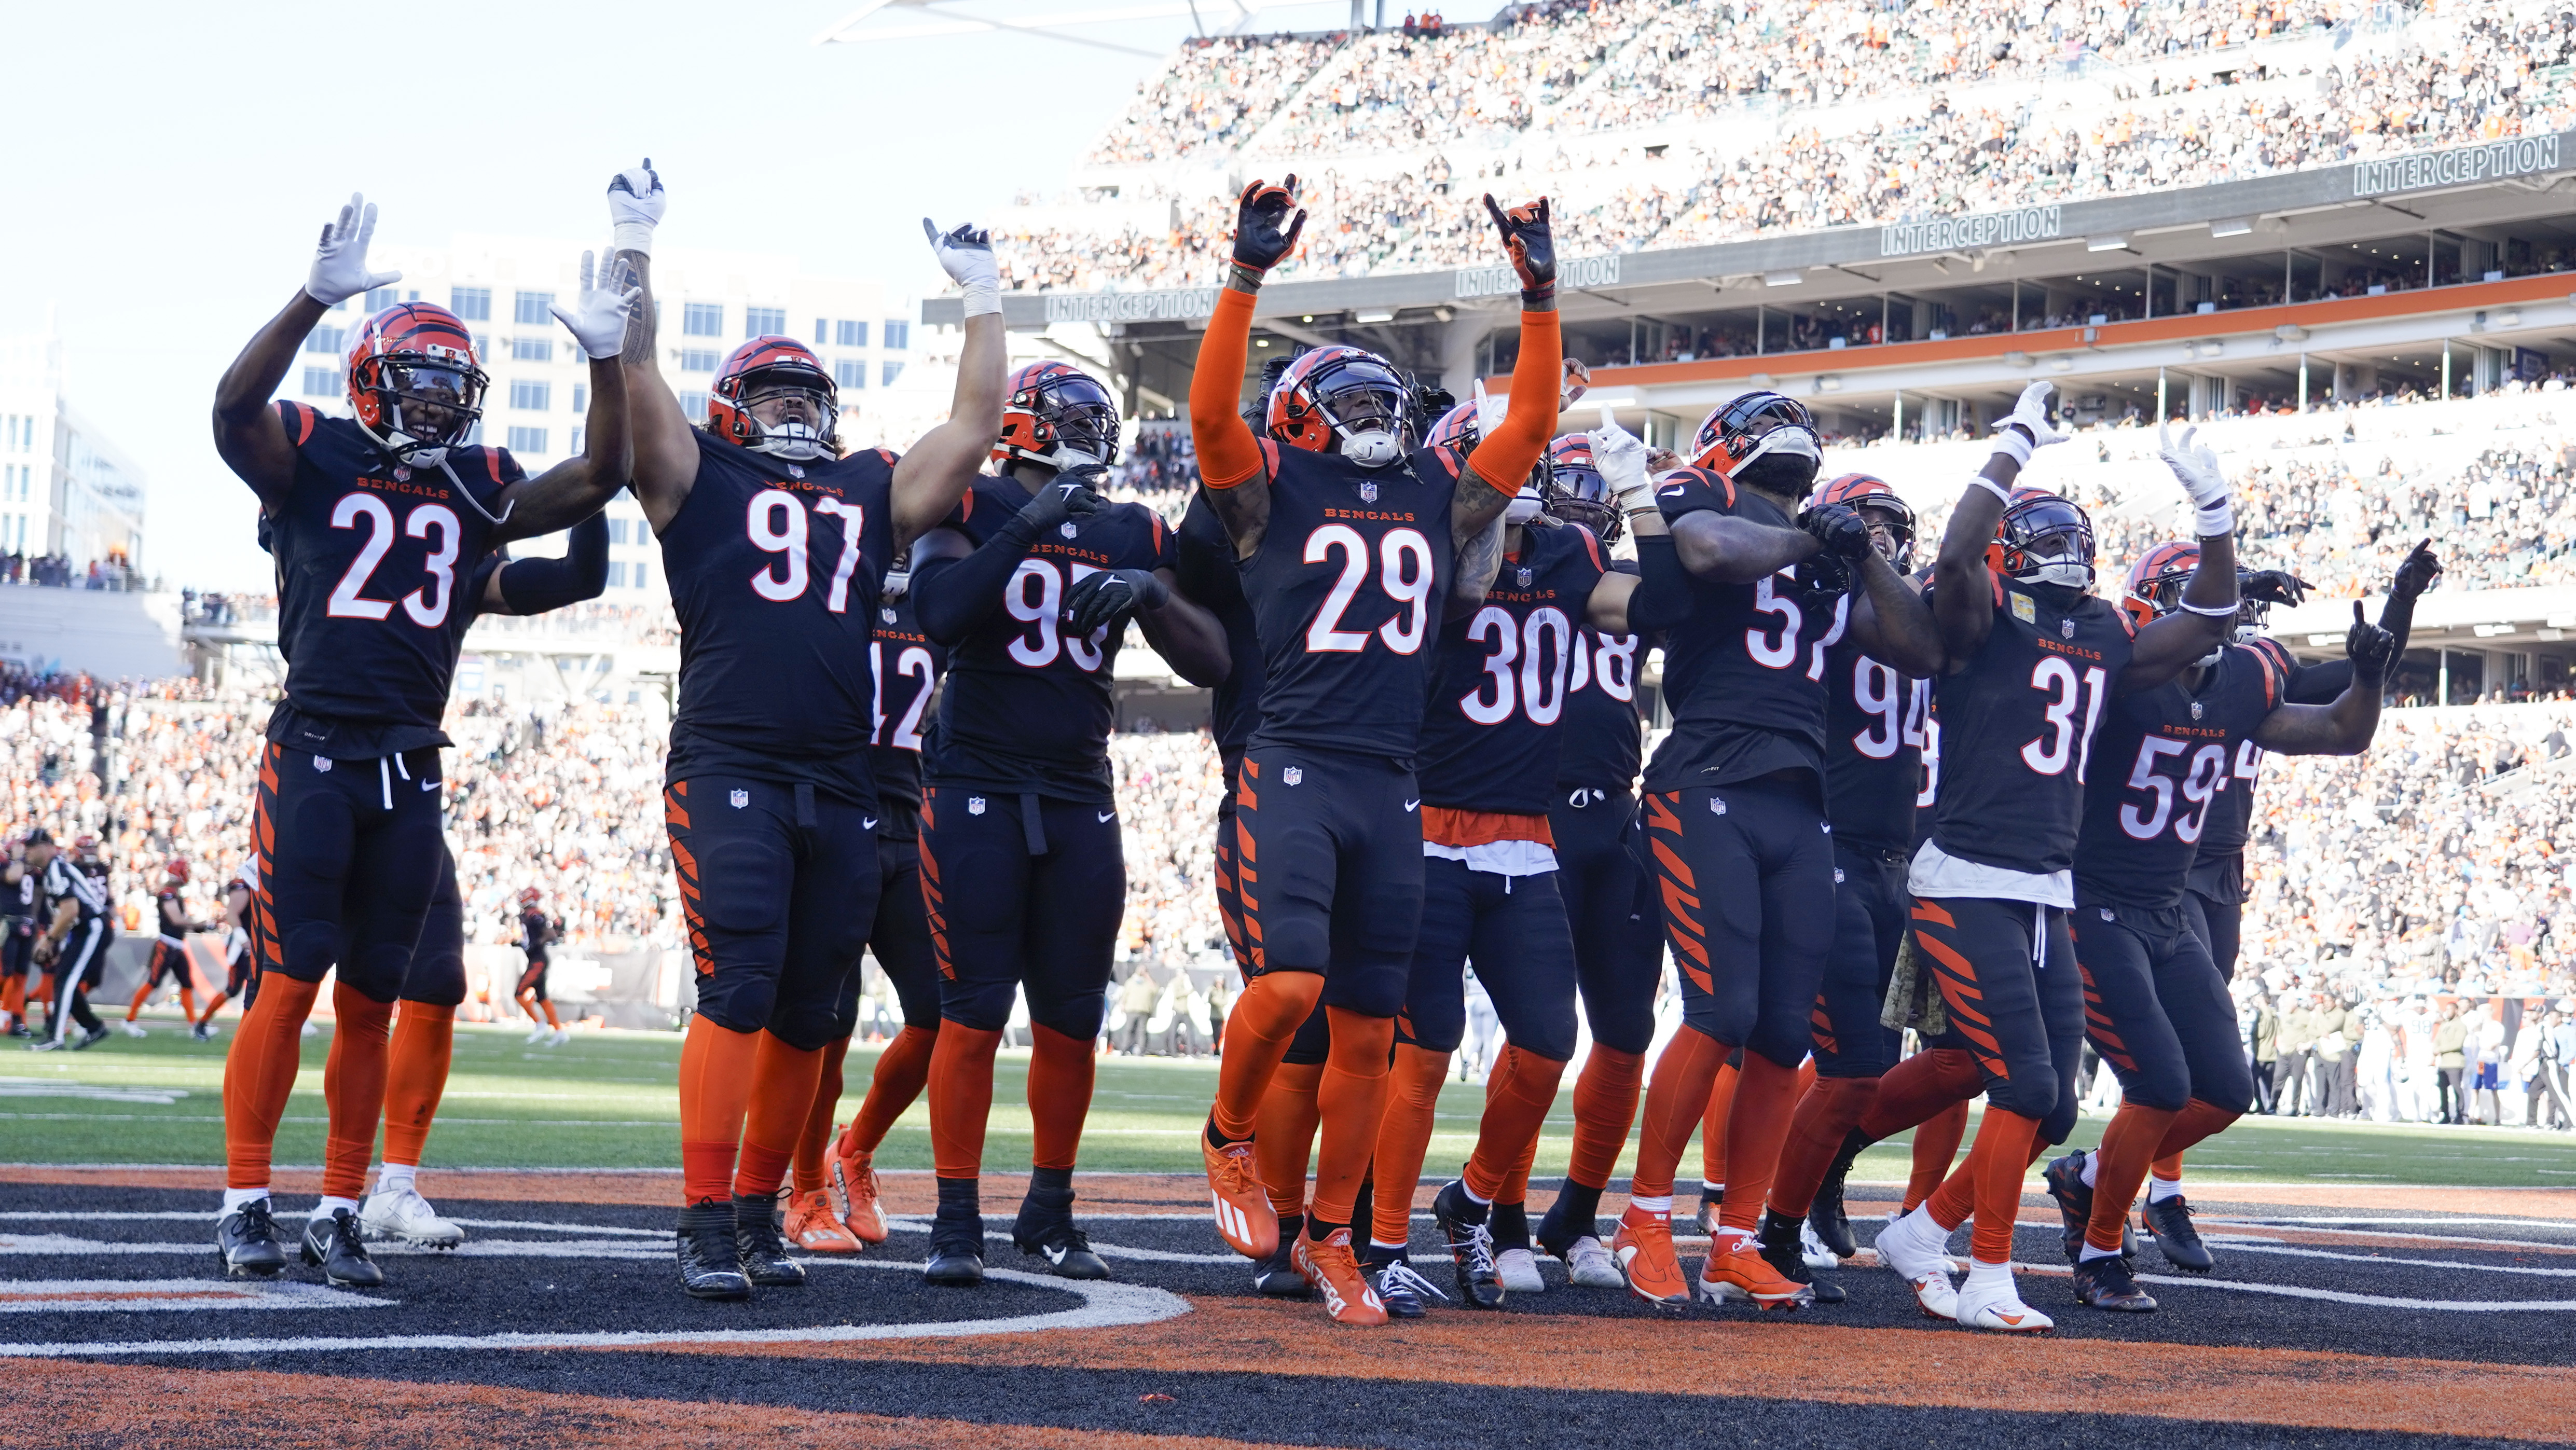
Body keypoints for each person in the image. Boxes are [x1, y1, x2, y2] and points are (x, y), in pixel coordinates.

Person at [208, 189, 638, 1285]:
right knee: (290, 977)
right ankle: (244, 1197)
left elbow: (596, 477)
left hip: (408, 760)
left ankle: (340, 1207)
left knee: (372, 998)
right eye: (424, 380)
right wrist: (311, 299)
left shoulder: (475, 482)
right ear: (371, 379)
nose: (444, 402)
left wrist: (605, 364)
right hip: (312, 745)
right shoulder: (311, 448)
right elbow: (229, 407)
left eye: (457, 385)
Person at [604, 160, 1004, 1300]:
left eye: (805, 396)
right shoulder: (697, 473)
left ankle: (754, 1210)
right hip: (731, 759)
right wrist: (634, 240)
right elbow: (636, 374)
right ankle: (696, 1219)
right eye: (773, 395)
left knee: (811, 1007)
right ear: (736, 410)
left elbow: (976, 421)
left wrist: (983, 294)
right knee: (737, 985)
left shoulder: (867, 484)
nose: (794, 410)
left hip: (840, 780)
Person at [1187, 177, 1562, 1327]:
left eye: (1378, 392)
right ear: (1299, 415)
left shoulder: (1431, 489)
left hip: (1390, 778)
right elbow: (1209, 421)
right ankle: (1228, 1134)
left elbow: (1530, 428)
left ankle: (1333, 1237)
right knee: (1289, 986)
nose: (1371, 411)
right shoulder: (1268, 486)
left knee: (1369, 1035)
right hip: (1294, 759)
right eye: (1344, 394)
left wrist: (1538, 295)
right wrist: (1244, 278)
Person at [1867, 397, 2240, 1334]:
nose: (2065, 546)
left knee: (2057, 1106)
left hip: (2047, 885)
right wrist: (2010, 447)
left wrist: (2214, 516)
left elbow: (2205, 624)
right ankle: (1988, 1274)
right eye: (2045, 535)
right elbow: (1953, 560)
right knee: (2025, 1087)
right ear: (2012, 555)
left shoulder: (2105, 633)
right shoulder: (1981, 619)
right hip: (1967, 876)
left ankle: (1922, 1234)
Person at [1609, 393, 1942, 1313]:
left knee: (1783, 1034)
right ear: (1728, 450)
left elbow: (1918, 648)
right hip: (1706, 778)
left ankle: (1734, 1238)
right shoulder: (1696, 498)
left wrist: (1861, 552)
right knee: (1719, 1013)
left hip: (1802, 802)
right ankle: (1641, 1223)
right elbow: (1710, 552)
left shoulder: (1828, 558)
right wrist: (1810, 542)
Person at [902, 360, 1229, 1287]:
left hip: (1080, 790)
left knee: (1073, 1020)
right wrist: (1030, 526)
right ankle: (956, 1214)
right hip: (974, 786)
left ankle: (1049, 1207)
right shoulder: (969, 503)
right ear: (1018, 426)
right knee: (972, 1014)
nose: (1089, 429)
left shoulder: (1130, 526)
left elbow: (1212, 662)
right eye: (1069, 415)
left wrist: (1157, 594)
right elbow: (939, 614)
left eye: (1097, 415)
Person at [1368, 410, 1676, 1312]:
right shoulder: (1423, 552)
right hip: (1429, 829)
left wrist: (1637, 498)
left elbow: (1661, 606)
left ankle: (1470, 1201)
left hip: (1525, 842)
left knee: (1546, 1047)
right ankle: (1383, 1241)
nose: (1532, 473)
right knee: (1423, 1054)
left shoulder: (1572, 558)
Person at [2042, 541, 2395, 1311]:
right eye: (2190, 597)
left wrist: (2368, 672)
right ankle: (2100, 1251)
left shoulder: (2241, 681)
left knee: (2226, 1088)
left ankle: (2089, 1176)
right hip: (2094, 902)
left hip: (2169, 908)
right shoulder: (2114, 679)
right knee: (2160, 1082)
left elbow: (2343, 731)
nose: (2216, 613)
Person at [362, 511, 613, 1252]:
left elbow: (576, 576)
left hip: (409, 777)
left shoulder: (454, 566)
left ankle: (392, 1188)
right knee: (305, 981)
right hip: (314, 762)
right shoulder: (332, 502)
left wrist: (598, 482)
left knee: (437, 979)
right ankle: (262, 1192)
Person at [1752, 473, 1930, 1304]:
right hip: (1829, 846)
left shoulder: (1917, 615)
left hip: (1908, 857)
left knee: (1919, 1059)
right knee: (1849, 1062)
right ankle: (1770, 1223)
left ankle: (1822, 1173)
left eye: (1892, 526)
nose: (1879, 538)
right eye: (1864, 523)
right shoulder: (1812, 600)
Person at [1528, 436, 1671, 1296]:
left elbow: (1676, 594)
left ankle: (1575, 1214)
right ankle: (1499, 1211)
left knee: (1625, 1035)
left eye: (1597, 489)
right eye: (1566, 485)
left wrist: (1642, 490)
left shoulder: (1620, 584)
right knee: (1535, 1039)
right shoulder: (1509, 570)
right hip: (1526, 815)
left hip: (1615, 817)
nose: (1582, 501)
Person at [793, 555, 949, 1255]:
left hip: (907, 825)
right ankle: (803, 1191)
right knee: (826, 1025)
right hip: (834, 822)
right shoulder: (825, 598)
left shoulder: (935, 606)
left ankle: (852, 1151)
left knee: (943, 1013)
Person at [31, 833, 113, 1052]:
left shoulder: (57, 870)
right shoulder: (54, 870)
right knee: (62, 978)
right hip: (81, 929)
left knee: (66, 980)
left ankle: (56, 1037)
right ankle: (93, 1026)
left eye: (31, 847)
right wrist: (53, 939)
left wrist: (49, 940)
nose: (27, 851)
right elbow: (67, 914)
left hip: (91, 926)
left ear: (47, 847)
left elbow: (71, 912)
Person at [122, 860, 211, 1034]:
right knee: (153, 983)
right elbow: (176, 919)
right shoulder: (167, 894)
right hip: (167, 945)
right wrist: (198, 924)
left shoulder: (174, 893)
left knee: (187, 984)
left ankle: (194, 1025)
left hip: (177, 945)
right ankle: (129, 1020)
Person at [190, 861, 261, 1041]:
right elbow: (232, 914)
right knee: (233, 989)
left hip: (256, 944)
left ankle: (257, 1028)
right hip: (243, 947)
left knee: (261, 987)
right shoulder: (244, 886)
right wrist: (245, 941)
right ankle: (202, 1023)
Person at [3, 832, 50, 1039]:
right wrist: (18, 859)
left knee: (21, 976)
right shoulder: (8, 865)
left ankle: (17, 1021)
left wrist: (40, 923)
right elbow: (13, 876)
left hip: (28, 923)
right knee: (5, 973)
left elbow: (39, 896)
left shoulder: (35, 873)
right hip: (7, 923)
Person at [514, 887, 565, 1045]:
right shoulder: (527, 916)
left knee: (519, 993)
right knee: (542, 998)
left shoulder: (536, 916)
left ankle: (540, 1024)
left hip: (538, 961)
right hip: (535, 960)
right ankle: (559, 1032)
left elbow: (551, 935)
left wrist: (535, 944)